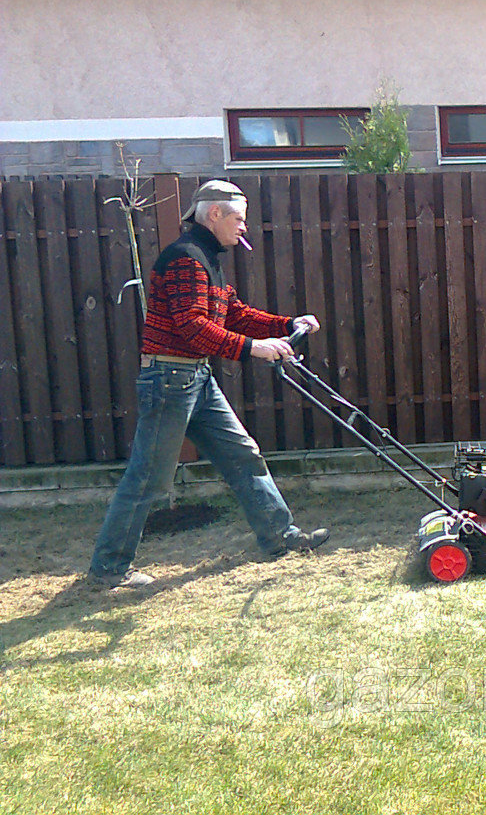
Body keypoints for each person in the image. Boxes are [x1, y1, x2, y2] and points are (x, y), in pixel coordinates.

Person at [89, 180, 329, 588]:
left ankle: (280, 538)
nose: (244, 228)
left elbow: (232, 313)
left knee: (243, 455)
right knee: (149, 477)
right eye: (239, 218)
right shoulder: (186, 258)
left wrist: (287, 324)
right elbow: (191, 327)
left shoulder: (206, 257)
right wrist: (254, 348)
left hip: (193, 377)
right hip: (169, 378)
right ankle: (108, 568)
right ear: (214, 214)